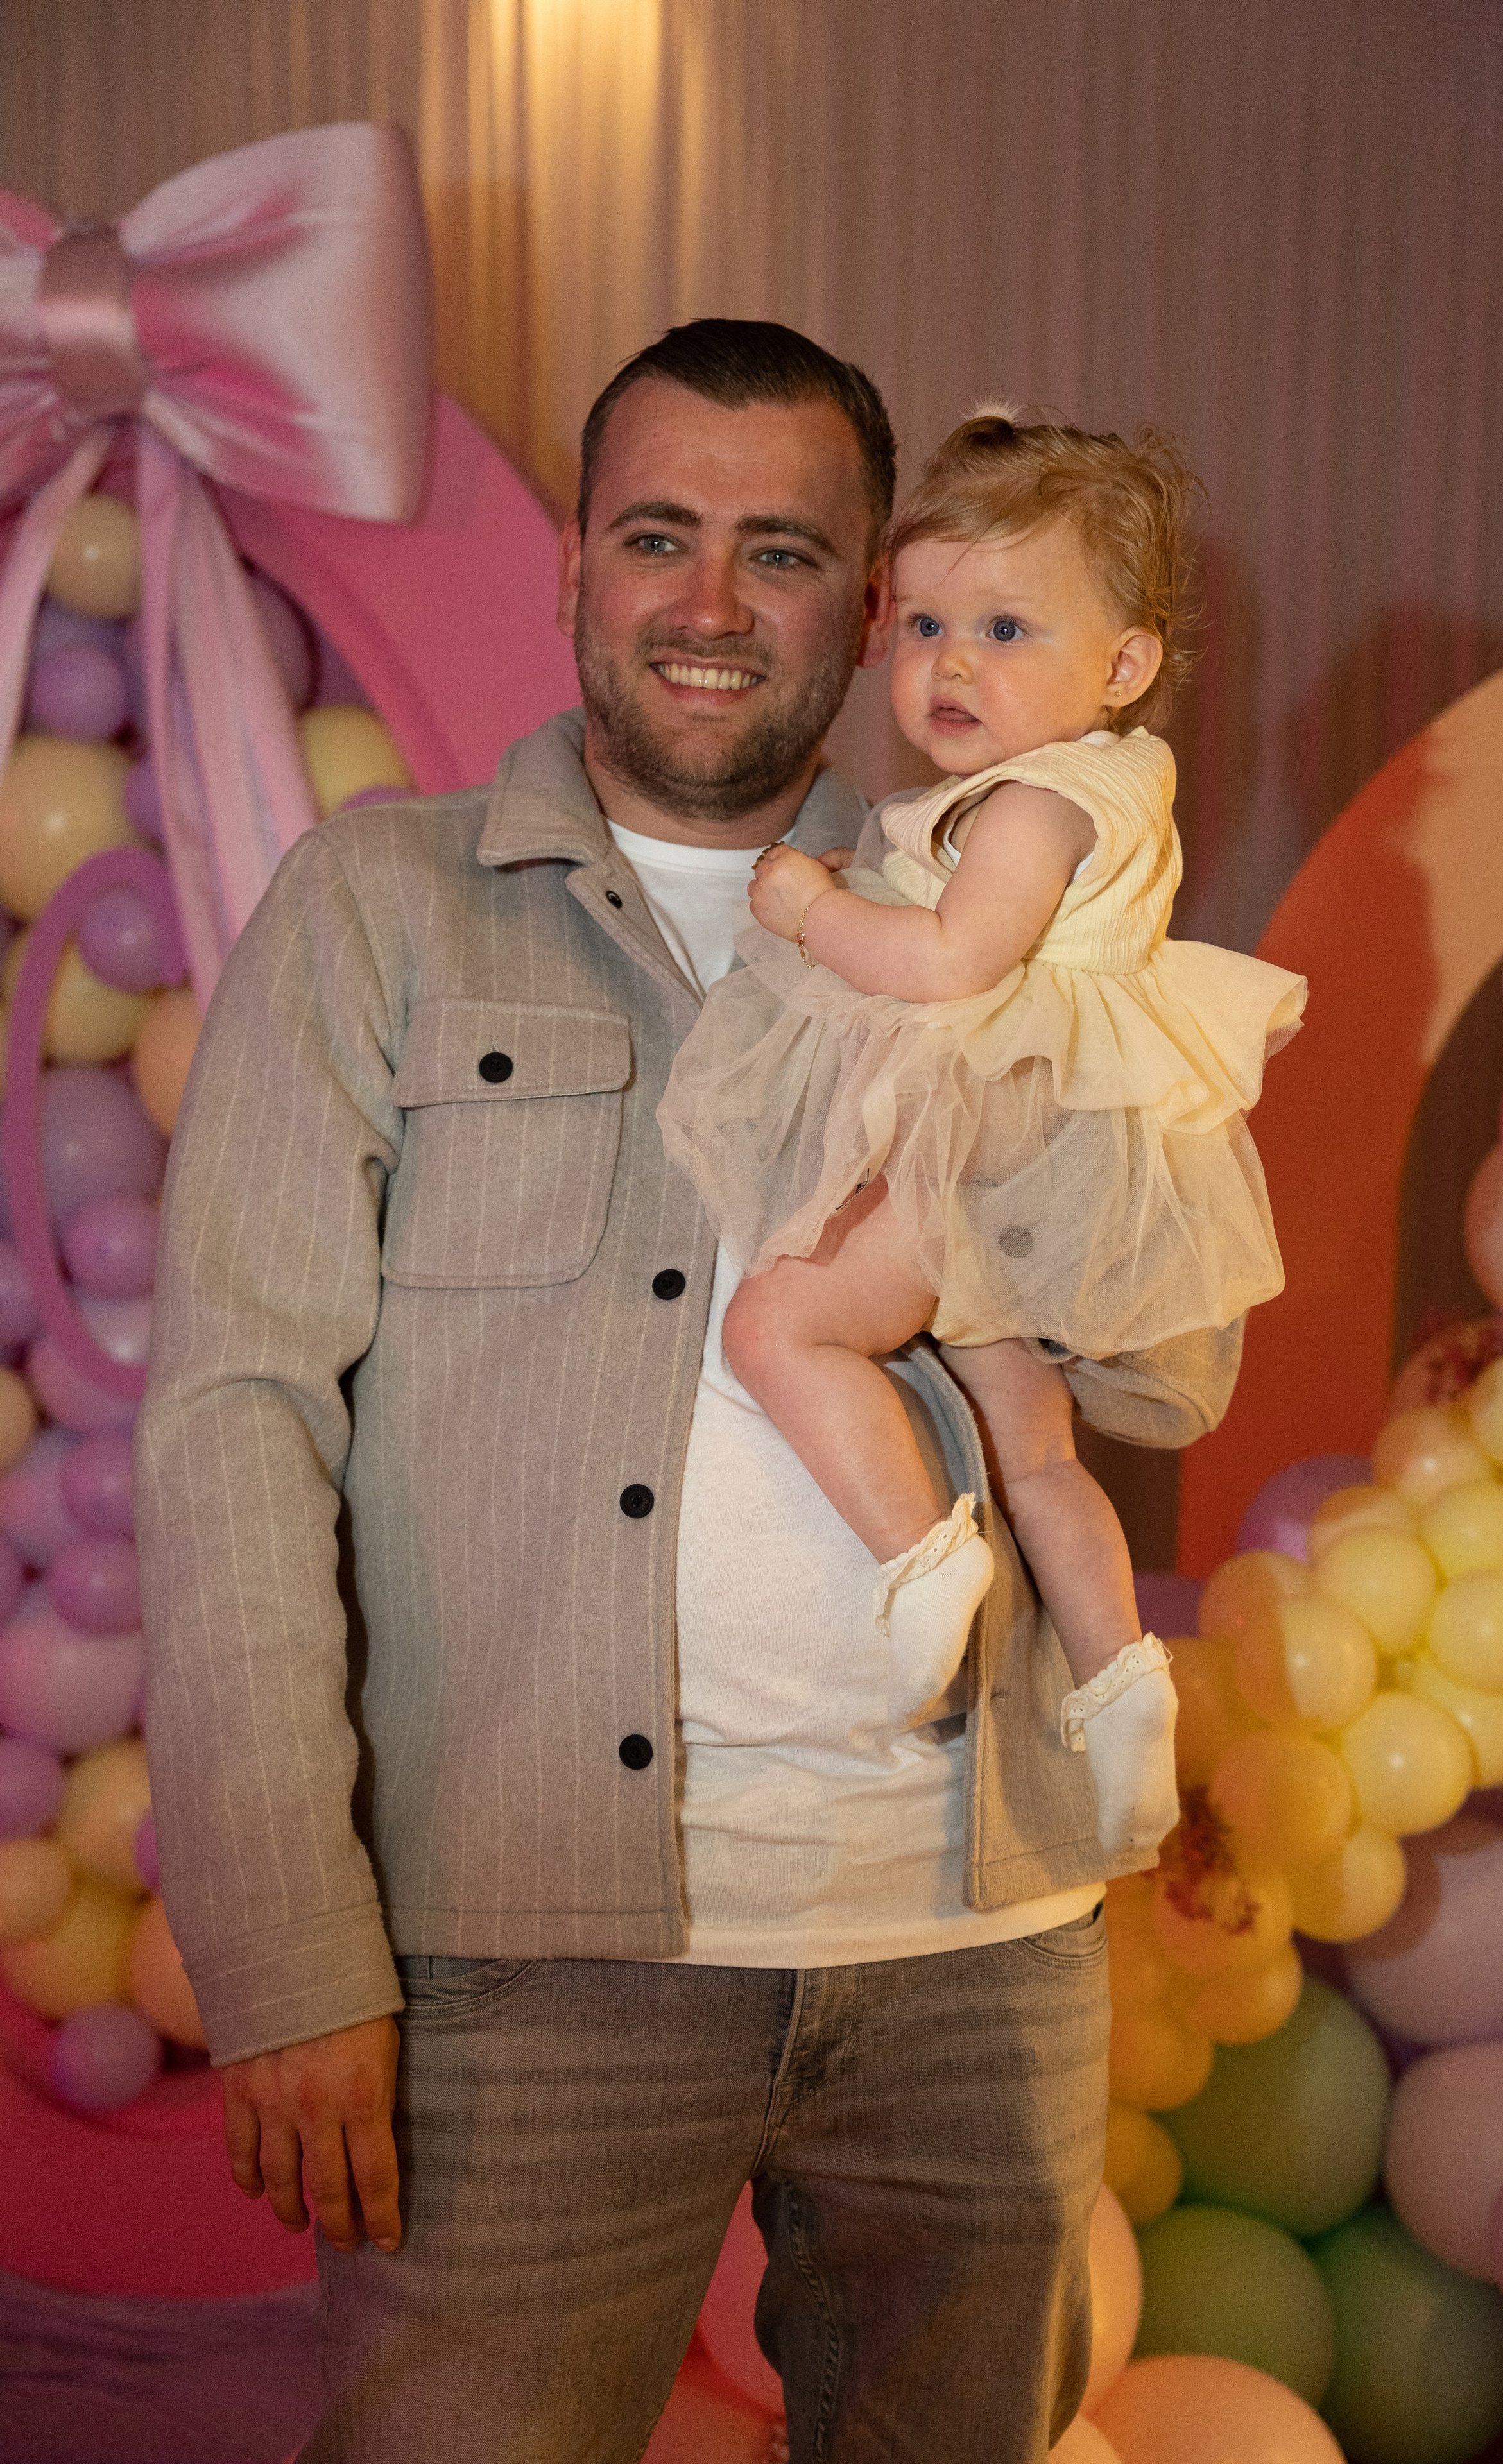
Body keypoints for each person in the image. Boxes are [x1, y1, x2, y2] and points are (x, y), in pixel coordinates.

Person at [136, 320, 1247, 2463]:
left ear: (872, 599)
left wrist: (1040, 1076)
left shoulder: (1017, 904)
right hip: (521, 1966)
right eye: (660, 537)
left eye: (787, 551)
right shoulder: (379, 912)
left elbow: (1167, 1381)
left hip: (976, 1946)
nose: (716, 605)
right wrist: (285, 1950)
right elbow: (231, 1433)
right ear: (573, 566)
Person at [659, 409, 1305, 1849]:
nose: (950, 664)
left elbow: (952, 964)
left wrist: (809, 907)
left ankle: (914, 1559)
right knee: (1032, 1446)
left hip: (981, 1139)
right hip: (1028, 1165)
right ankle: (1120, 1682)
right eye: (929, 621)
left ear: (1123, 664)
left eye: (1008, 629)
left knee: (779, 1329)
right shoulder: (1115, 782)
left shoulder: (1025, 803)